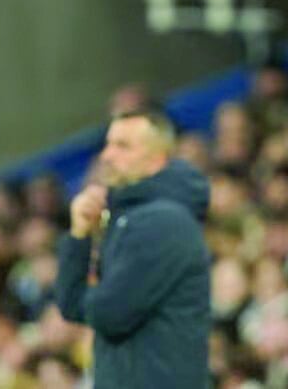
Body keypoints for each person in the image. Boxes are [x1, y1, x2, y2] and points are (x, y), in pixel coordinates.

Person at [55, 110, 211, 388]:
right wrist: (80, 235)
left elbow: (109, 313)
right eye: (108, 144)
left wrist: (90, 297)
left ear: (158, 157)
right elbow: (70, 306)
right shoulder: (123, 218)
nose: (107, 156)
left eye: (123, 146)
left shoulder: (164, 220)